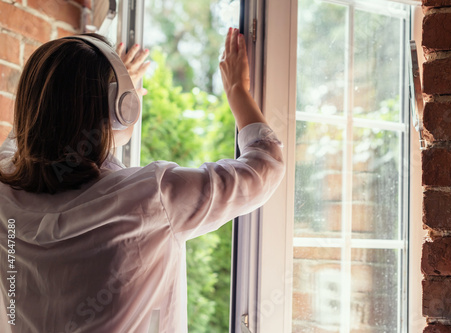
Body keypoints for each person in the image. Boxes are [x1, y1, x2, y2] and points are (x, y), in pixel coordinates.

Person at [0, 28, 284, 332]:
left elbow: (25, 134)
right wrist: (237, 91)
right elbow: (264, 167)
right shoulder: (153, 197)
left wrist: (102, 87)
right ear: (121, 107)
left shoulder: (5, 192)